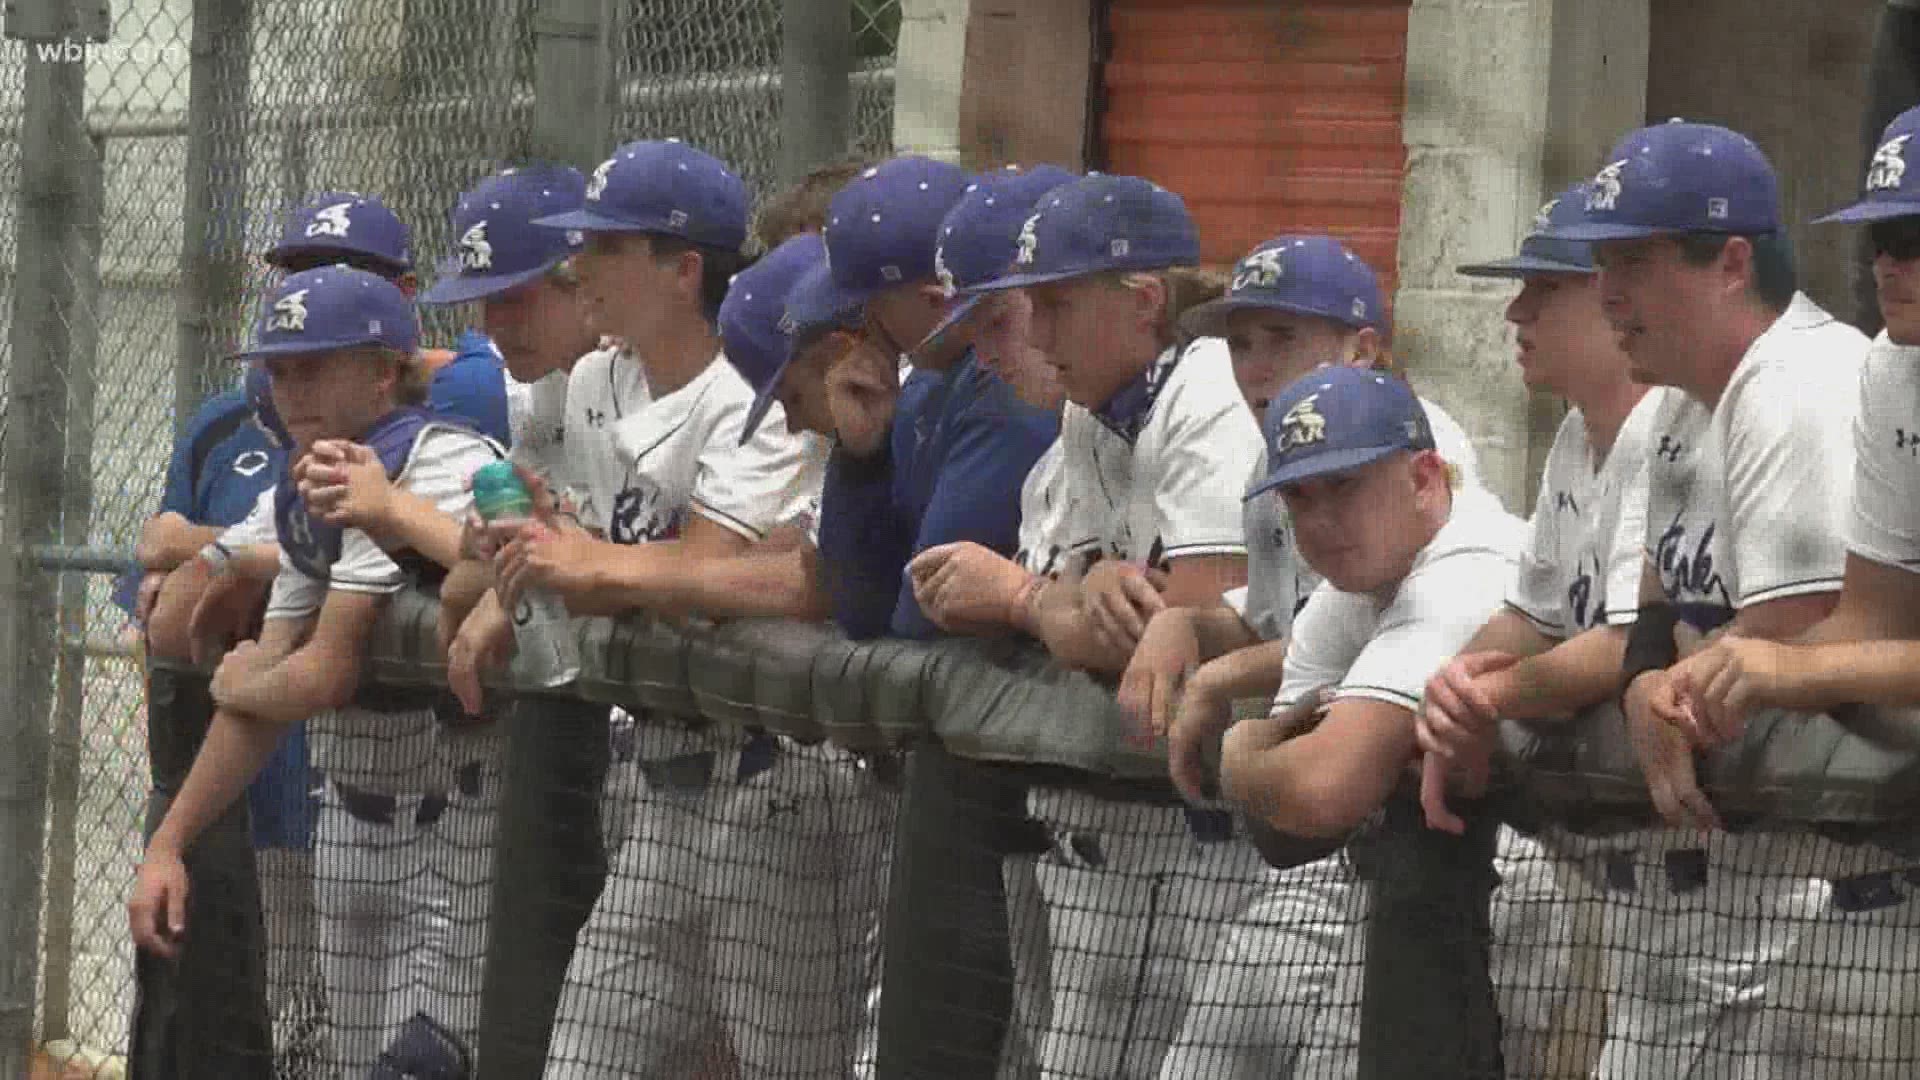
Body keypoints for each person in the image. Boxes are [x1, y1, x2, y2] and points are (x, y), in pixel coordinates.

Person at [1535, 120, 1874, 1078]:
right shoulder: (1683, 404)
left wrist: (1659, 685)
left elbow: (1794, 637)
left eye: (1635, 262)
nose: (1607, 294)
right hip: (1759, 895)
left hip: (1818, 891)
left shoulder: (1801, 383)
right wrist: (1646, 683)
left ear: (1731, 263)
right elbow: (1654, 612)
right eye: (1603, 263)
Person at [911, 173, 1265, 1078]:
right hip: (1148, 820)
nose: (1031, 332)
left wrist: (1033, 600)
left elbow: (1185, 620)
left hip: (1256, 827)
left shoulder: (1214, 392)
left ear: (1144, 301)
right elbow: (1087, 615)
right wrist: (1070, 597)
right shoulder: (1091, 411)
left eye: (1054, 305)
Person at [493, 137, 830, 1079]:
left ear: (685, 271)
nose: (576, 267)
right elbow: (617, 561)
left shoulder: (759, 390)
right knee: (583, 1060)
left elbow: (708, 571)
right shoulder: (597, 378)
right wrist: (548, 537)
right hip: (651, 781)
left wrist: (590, 561)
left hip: (773, 788)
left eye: (606, 248)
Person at [128, 265, 508, 1077]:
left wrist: (234, 678)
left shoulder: (427, 459)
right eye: (281, 367)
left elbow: (318, 673)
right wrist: (168, 844)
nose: (288, 387)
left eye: (314, 366)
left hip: (460, 830)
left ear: (381, 372)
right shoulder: (315, 478)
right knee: (351, 1061)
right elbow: (273, 661)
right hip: (353, 820)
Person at [1657, 104, 1920, 1077]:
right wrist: (1708, 675)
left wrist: (1783, 670)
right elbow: (1875, 619)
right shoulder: (1896, 372)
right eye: (1884, 237)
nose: (1892, 263)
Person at [1392, 183, 1659, 1075]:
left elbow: (1628, 643)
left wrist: (1478, 695)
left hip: (1760, 891)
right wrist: (1440, 690)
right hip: (1641, 899)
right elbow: (1533, 620)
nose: (1515, 311)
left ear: (1610, 291)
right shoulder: (1578, 442)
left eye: (1541, 289)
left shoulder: (1666, 428)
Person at [1215, 366, 1528, 1079]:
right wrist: (1303, 767)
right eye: (1299, 497)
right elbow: (1286, 834)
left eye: (1346, 487)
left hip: (1520, 889)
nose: (1320, 523)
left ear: (1424, 478)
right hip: (1408, 889)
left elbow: (1317, 790)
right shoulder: (1348, 593)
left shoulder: (1469, 568)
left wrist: (1238, 749)